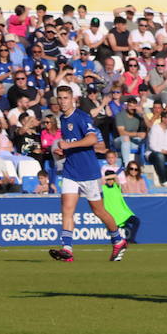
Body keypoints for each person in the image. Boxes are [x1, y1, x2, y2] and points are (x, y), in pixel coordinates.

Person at [46, 86, 128, 263]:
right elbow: (73, 144)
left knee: (98, 210)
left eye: (65, 98)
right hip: (70, 170)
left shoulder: (82, 117)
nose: (62, 101)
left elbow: (92, 140)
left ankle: (118, 239)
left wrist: (69, 147)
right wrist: (65, 153)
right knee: (67, 209)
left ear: (73, 99)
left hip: (89, 172)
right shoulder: (62, 118)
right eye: (59, 98)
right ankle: (67, 249)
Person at [101, 167, 142, 244]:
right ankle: (117, 243)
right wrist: (107, 177)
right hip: (112, 215)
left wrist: (113, 176)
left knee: (136, 221)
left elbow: (116, 178)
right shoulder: (103, 188)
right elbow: (100, 180)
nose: (110, 181)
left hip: (123, 213)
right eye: (108, 179)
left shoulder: (117, 187)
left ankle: (131, 240)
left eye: (111, 179)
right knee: (114, 232)